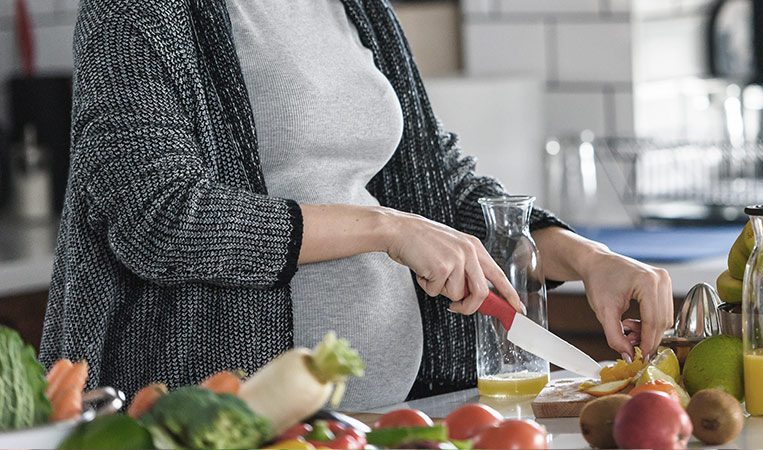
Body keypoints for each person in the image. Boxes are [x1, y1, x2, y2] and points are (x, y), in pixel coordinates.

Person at [39, 0, 674, 410]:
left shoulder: (355, 7)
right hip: (229, 415)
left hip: (396, 411)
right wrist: (385, 229)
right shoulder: (135, 12)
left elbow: (434, 178)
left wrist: (587, 259)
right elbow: (156, 217)